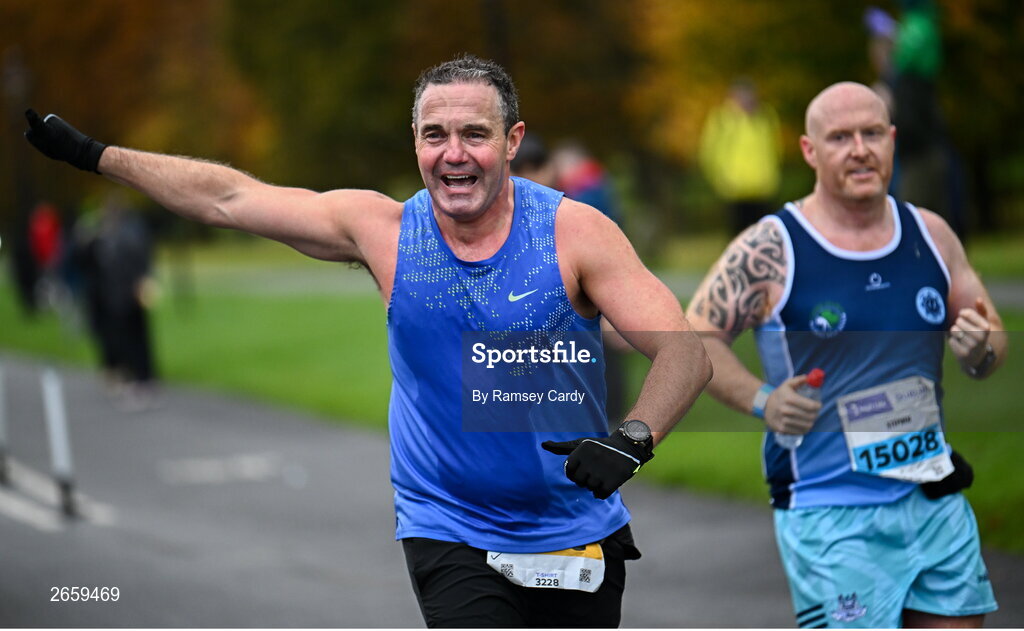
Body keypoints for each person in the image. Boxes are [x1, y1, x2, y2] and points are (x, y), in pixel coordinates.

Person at [25, 54, 711, 628]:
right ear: (414, 142)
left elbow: (683, 349)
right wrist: (93, 156)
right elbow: (229, 198)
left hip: (573, 529)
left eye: (474, 133)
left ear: (511, 140)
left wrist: (632, 439)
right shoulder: (384, 231)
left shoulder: (574, 233)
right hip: (448, 522)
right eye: (433, 134)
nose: (453, 154)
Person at [686, 82, 1004, 628]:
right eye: (840, 137)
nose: (860, 148)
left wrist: (982, 348)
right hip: (829, 509)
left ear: (892, 140)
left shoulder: (931, 235)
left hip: (933, 496)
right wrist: (763, 400)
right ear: (810, 151)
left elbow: (990, 340)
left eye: (872, 133)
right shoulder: (772, 247)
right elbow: (693, 337)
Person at [697, 78, 783, 236]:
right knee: (737, 236)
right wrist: (720, 179)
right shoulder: (723, 119)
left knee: (765, 235)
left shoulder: (766, 117)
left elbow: (775, 149)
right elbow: (709, 153)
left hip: (763, 187)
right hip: (735, 189)